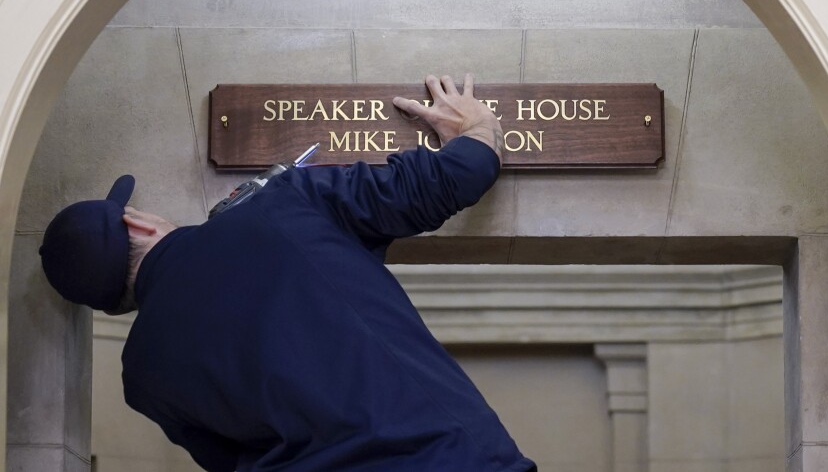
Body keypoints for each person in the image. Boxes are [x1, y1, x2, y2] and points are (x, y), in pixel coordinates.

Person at [40, 74, 537, 472]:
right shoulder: (280, 205)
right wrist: (478, 130)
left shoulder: (143, 379)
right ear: (138, 223)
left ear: (109, 303)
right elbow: (450, 179)